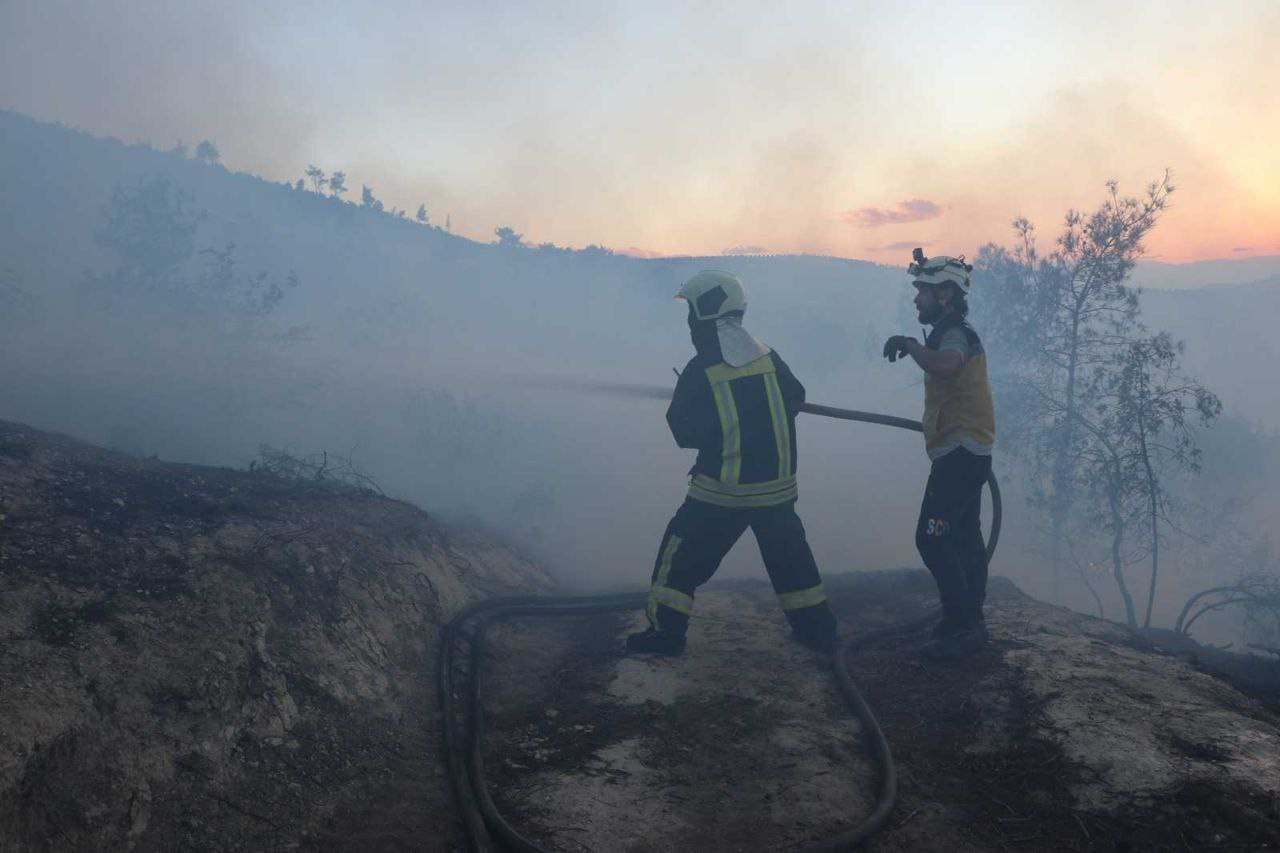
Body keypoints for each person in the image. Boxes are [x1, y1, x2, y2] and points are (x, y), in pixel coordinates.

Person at [626, 271, 838, 657]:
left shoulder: (701, 368)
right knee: (793, 566)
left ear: (704, 312)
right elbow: (796, 397)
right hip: (777, 491)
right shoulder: (769, 356)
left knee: (679, 559)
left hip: (722, 492)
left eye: (691, 312)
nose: (689, 322)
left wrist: (703, 412)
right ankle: (818, 632)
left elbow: (682, 431)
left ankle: (666, 634)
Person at [883, 249, 996, 660]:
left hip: (960, 454)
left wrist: (911, 346)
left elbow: (947, 365)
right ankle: (968, 624)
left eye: (923, 292)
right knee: (964, 538)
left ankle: (962, 624)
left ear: (945, 294)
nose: (917, 300)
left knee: (931, 539)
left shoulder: (954, 335)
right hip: (966, 451)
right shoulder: (951, 329)